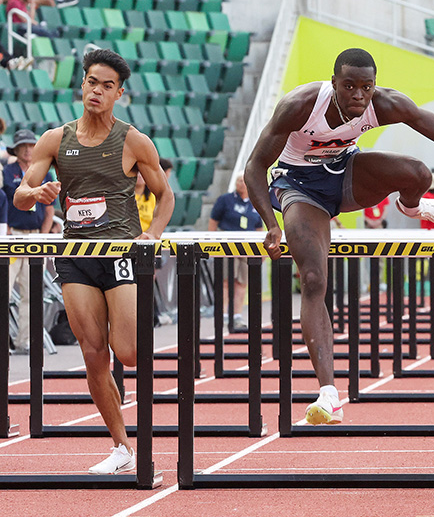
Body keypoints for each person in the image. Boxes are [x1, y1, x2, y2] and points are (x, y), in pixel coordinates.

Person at [244, 47, 434, 425]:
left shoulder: (385, 103)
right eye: (349, 86)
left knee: (419, 172)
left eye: (366, 87)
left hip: (347, 175)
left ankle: (410, 206)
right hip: (299, 187)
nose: (358, 95)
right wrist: (270, 225)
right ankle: (328, 394)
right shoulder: (300, 105)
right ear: (334, 82)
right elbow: (255, 167)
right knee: (312, 278)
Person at [13, 48, 174, 474]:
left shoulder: (134, 140)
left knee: (129, 354)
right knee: (93, 353)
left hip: (120, 254)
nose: (96, 91)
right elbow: (21, 197)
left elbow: (166, 195)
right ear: (81, 85)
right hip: (76, 256)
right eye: (91, 82)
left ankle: (131, 433)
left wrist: (152, 235)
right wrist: (38, 193)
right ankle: (121, 448)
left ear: (119, 93)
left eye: (107, 86)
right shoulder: (55, 139)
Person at [3, 129, 55, 354]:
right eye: (22, 145)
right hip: (13, 236)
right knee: (4, 289)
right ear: (15, 150)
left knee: (32, 292)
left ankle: (26, 341)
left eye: (31, 145)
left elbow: (50, 210)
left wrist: (43, 234)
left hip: (36, 236)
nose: (27, 149)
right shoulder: (8, 172)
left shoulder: (45, 173)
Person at [208, 175, 263, 332]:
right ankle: (224, 313)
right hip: (227, 244)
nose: (242, 184)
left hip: (248, 246)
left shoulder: (256, 202)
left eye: (245, 181)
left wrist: (262, 251)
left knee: (242, 282)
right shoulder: (225, 200)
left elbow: (259, 226)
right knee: (226, 280)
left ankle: (237, 314)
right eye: (239, 181)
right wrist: (210, 243)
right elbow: (213, 221)